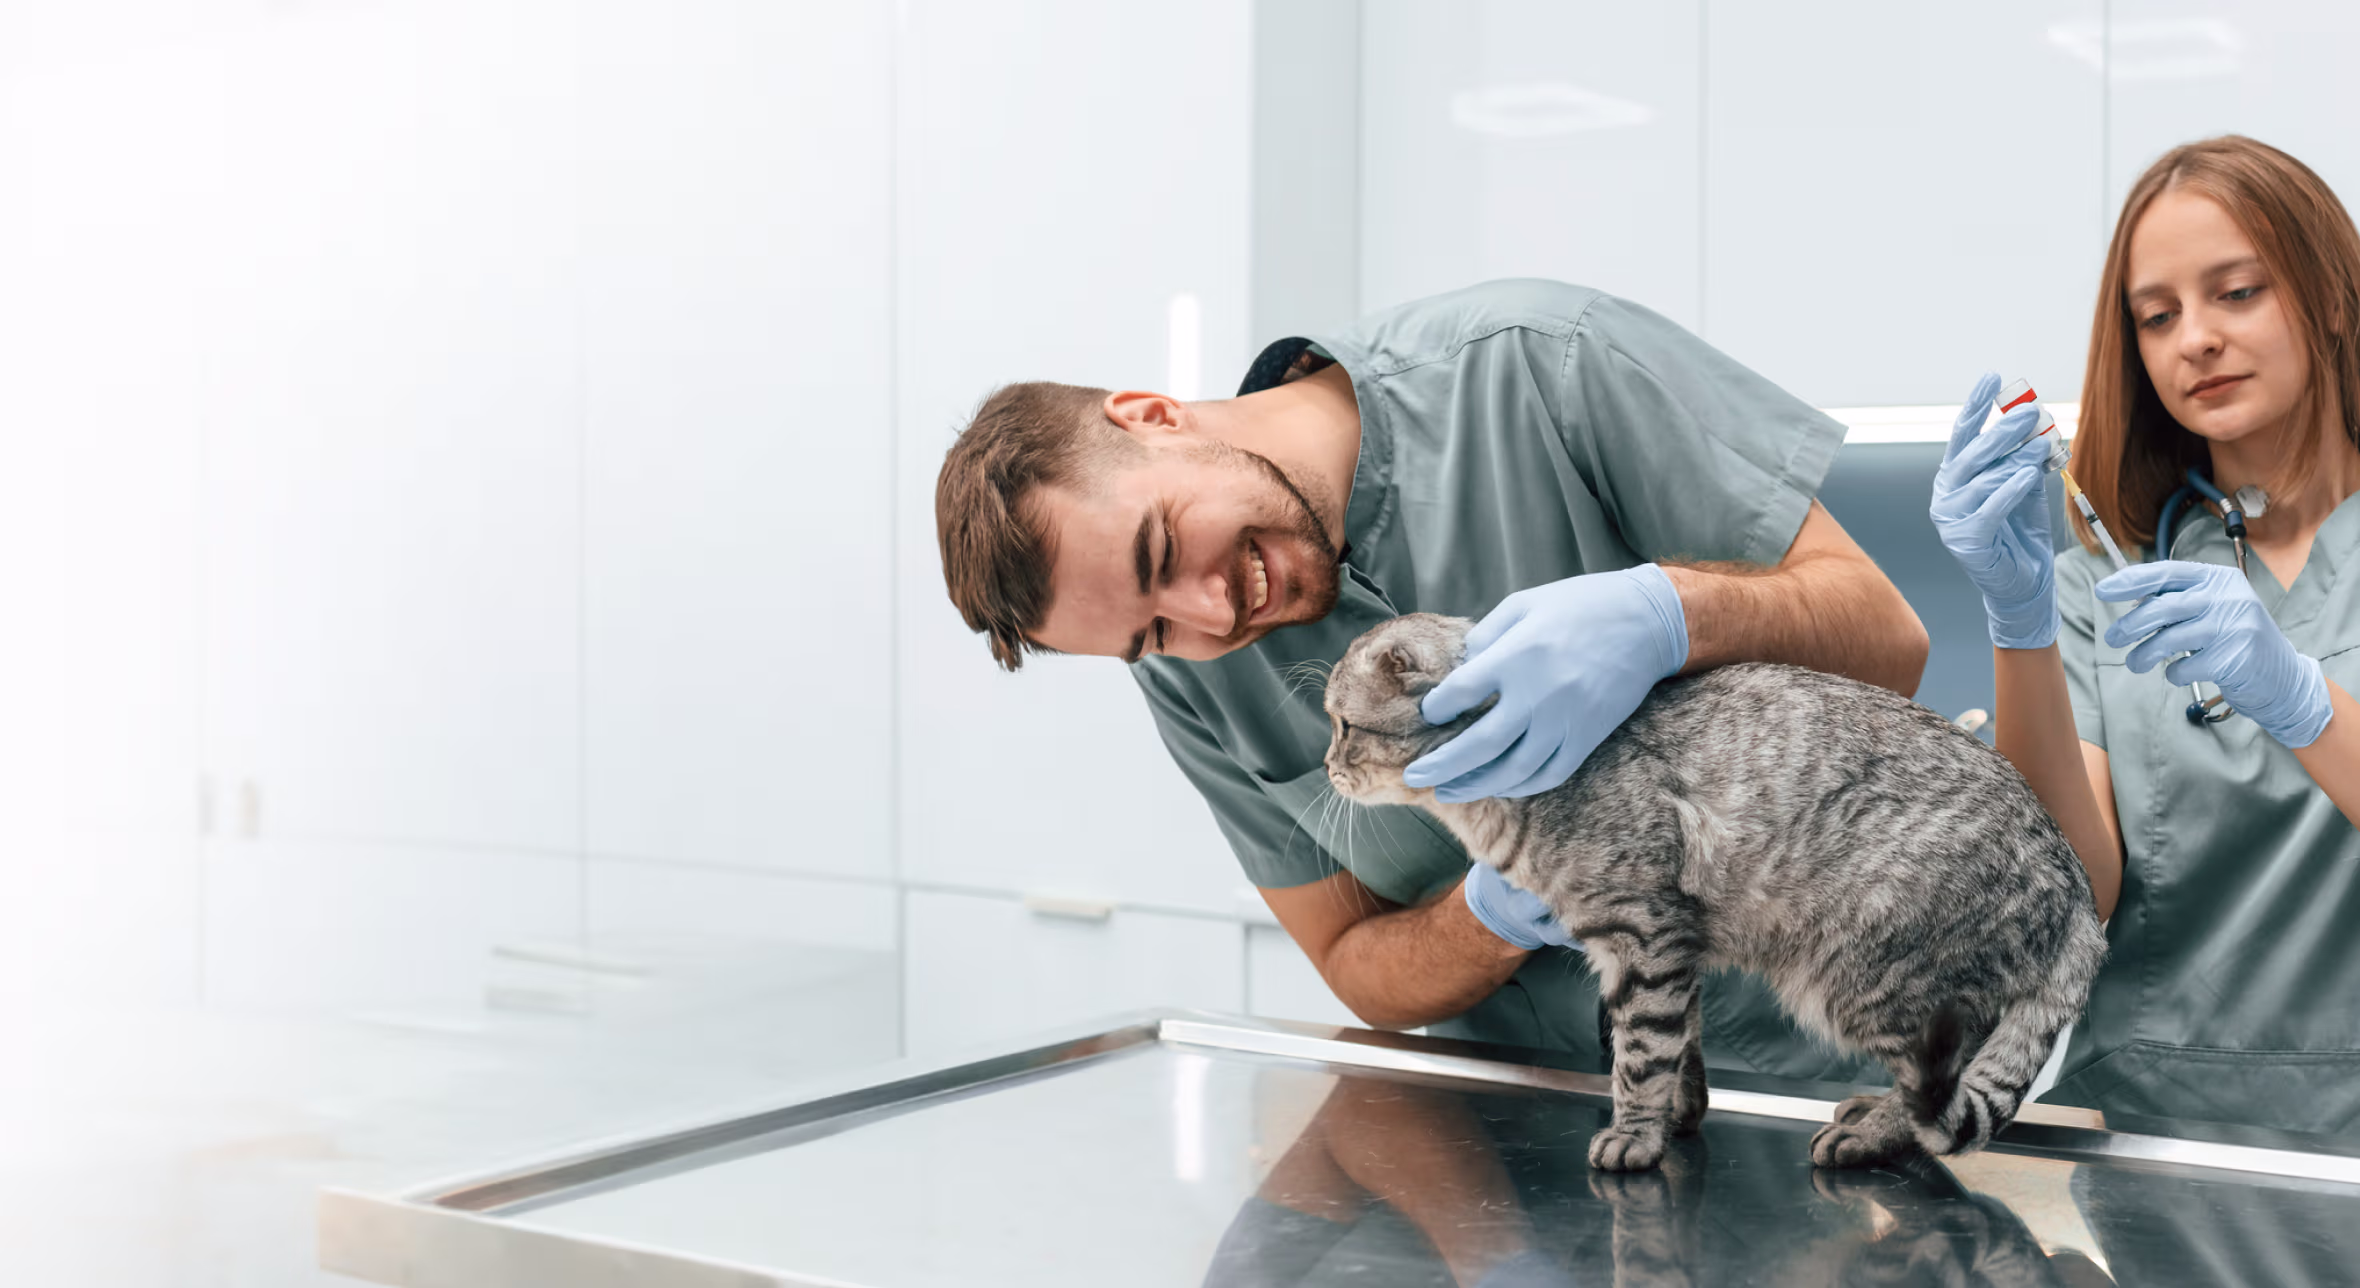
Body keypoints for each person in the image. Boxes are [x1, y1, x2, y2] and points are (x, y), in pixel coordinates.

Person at [932, 279, 1928, 1075]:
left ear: (1152, 414)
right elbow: (1349, 962)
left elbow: (1888, 637)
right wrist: (1491, 911)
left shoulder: (1544, 363)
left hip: (1835, 1069)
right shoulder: (1190, 676)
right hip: (1531, 1128)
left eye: (1161, 550)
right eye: (1151, 632)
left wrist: (1666, 615)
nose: (1208, 612)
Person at [1931, 134, 2360, 1135]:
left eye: (2236, 293)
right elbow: (2073, 886)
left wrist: (2298, 700)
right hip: (2158, 1142)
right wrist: (2020, 625)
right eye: (2155, 316)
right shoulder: (2107, 584)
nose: (2192, 340)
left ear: (2330, 297)